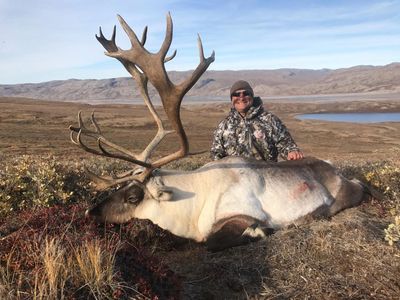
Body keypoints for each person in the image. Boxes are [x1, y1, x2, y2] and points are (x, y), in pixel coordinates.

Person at [210, 80, 304, 162]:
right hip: (235, 179)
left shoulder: (270, 120)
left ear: (252, 96)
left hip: (267, 176)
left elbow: (285, 143)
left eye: (246, 93)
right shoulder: (224, 126)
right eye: (236, 94)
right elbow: (216, 153)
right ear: (232, 99)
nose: (241, 97)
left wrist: (291, 151)